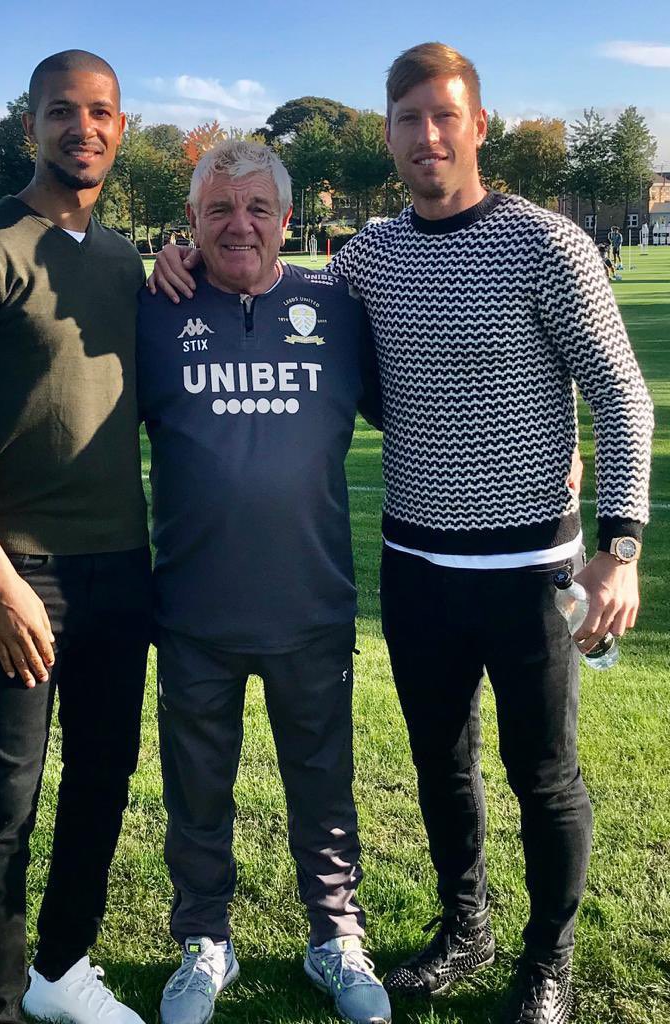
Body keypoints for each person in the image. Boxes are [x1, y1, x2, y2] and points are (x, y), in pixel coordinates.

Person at [149, 43, 653, 1024]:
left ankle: (548, 960)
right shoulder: (366, 259)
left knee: (543, 774)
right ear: (388, 136)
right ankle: (464, 930)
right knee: (440, 764)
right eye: (408, 120)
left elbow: (622, 395)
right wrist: (181, 258)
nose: (427, 136)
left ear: (478, 125)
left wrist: (619, 544)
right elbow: (359, 378)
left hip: (532, 568)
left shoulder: (549, 243)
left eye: (444, 116)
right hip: (416, 563)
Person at [0, 50, 151, 1024]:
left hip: (120, 567)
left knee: (103, 779)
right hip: (20, 571)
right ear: (29, 127)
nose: (81, 128)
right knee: (5, 804)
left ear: (119, 128)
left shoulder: (126, 256)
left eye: (99, 113)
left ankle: (60, 970)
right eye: (61, 112)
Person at [137, 139, 390, 1024]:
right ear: (192, 222)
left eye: (256, 209)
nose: (238, 225)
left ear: (288, 218)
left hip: (311, 605)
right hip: (194, 610)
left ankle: (335, 938)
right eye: (217, 210)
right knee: (196, 790)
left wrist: (553, 456)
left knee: (323, 787)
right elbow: (72, 411)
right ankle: (205, 939)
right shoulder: (154, 307)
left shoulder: (339, 306)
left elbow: (431, 396)